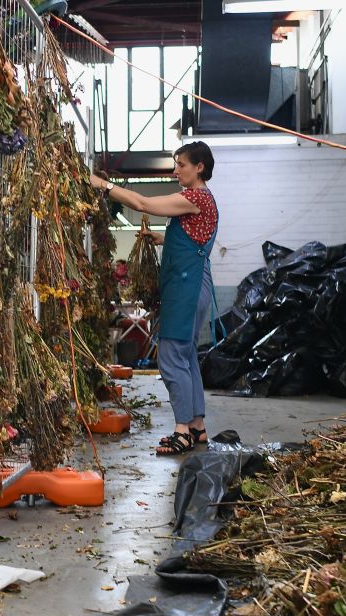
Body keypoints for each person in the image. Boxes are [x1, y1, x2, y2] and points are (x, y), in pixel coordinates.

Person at [90, 141, 218, 456]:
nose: (176, 171)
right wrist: (162, 238)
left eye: (182, 165)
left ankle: (182, 430)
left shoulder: (195, 197)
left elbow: (142, 203)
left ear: (199, 167)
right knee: (186, 358)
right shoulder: (204, 201)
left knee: (171, 356)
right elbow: (191, 240)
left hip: (185, 289)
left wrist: (103, 186)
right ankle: (197, 427)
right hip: (194, 284)